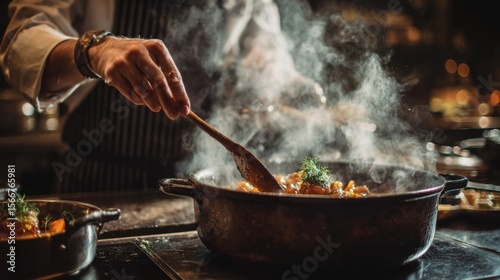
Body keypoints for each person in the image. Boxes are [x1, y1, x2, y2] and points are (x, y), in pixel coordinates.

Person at [0, 0, 324, 193]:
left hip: (199, 188)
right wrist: (95, 51)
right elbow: (20, 41)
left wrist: (286, 83)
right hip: (101, 181)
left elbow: (265, 52)